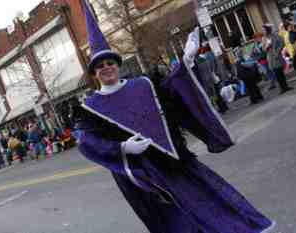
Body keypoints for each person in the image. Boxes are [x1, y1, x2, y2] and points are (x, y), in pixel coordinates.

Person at [76, 1, 275, 232]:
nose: (106, 68)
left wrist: (187, 62)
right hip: (143, 175)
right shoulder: (91, 106)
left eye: (110, 62)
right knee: (174, 220)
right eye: (100, 66)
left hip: (174, 162)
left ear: (118, 65)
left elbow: (173, 93)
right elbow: (85, 140)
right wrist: (122, 148)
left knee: (208, 204)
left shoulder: (143, 85)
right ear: (94, 73)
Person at [262, 24, 293, 94]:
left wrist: (277, 51)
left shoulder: (275, 35)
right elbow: (263, 49)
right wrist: (267, 46)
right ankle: (282, 88)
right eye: (262, 30)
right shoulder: (264, 38)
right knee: (276, 73)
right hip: (271, 57)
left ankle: (285, 86)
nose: (263, 31)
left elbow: (282, 42)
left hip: (277, 56)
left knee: (280, 72)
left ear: (267, 29)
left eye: (264, 30)